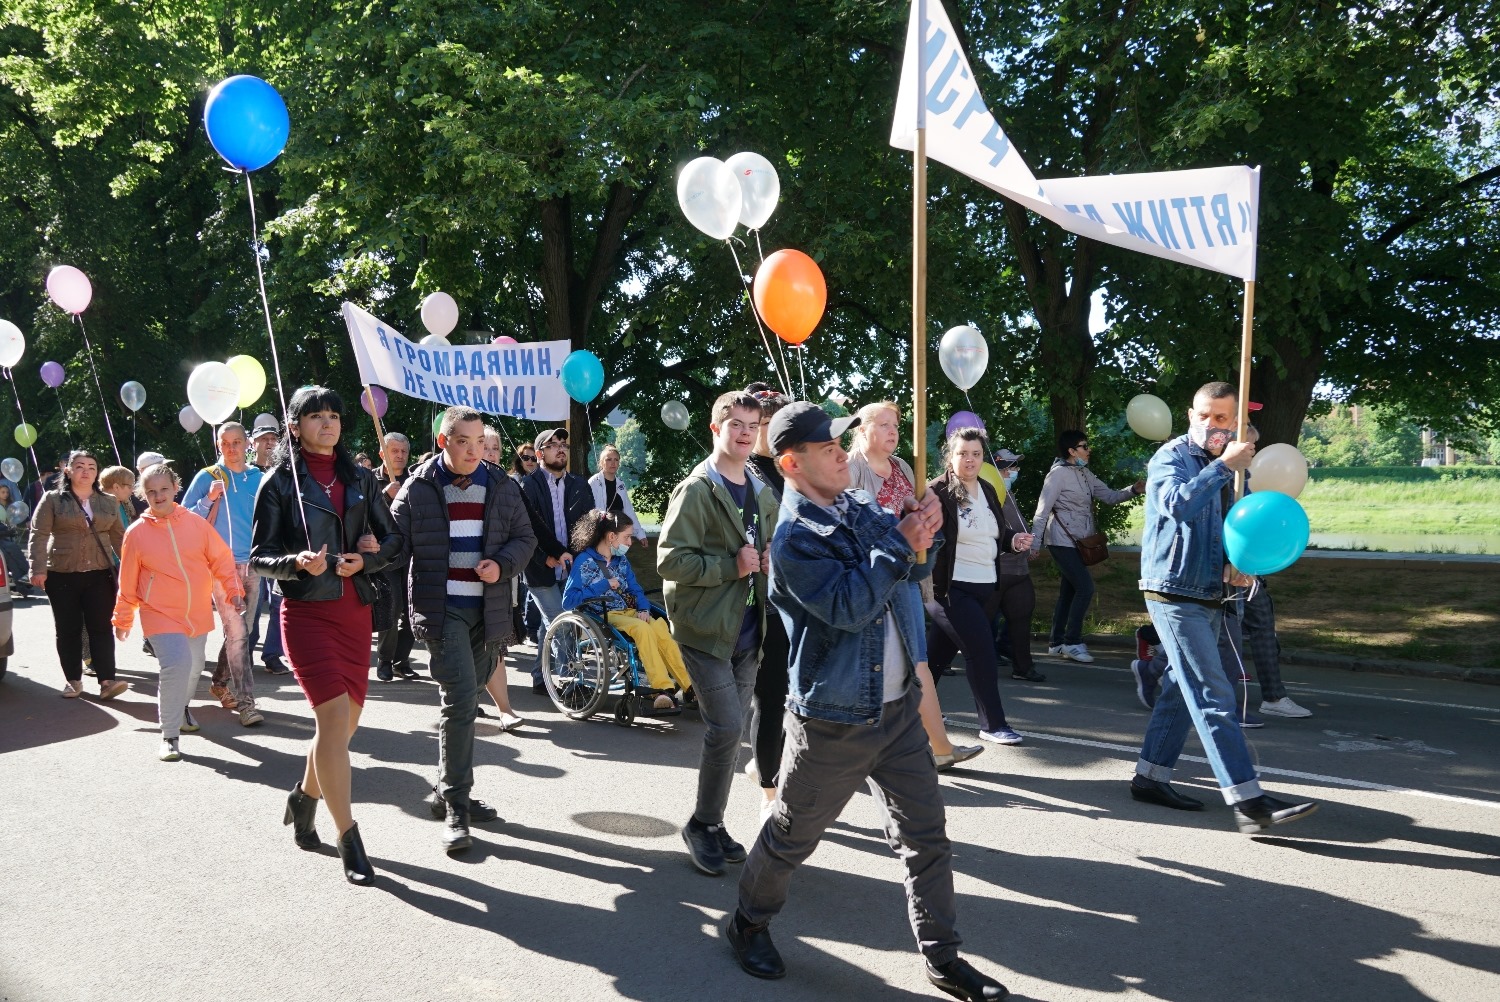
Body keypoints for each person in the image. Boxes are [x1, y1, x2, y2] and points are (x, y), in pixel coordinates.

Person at [725, 402, 1008, 1001]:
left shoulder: (856, 506)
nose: (840, 451)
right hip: (834, 720)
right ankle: (747, 923)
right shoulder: (794, 538)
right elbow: (850, 607)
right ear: (791, 463)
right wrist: (900, 544)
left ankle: (941, 955)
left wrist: (922, 523)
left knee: (926, 837)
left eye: (839, 442)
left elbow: (908, 570)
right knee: (791, 837)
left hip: (899, 710)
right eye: (828, 447)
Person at [1130, 380, 1319, 833]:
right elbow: (1176, 505)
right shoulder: (1171, 458)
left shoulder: (1237, 468)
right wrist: (1223, 467)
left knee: (1183, 687)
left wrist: (1242, 563)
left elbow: (1238, 526)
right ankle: (1249, 803)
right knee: (1215, 695)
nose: (1210, 425)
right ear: (1190, 414)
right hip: (1174, 593)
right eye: (1203, 415)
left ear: (1235, 422)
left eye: (1221, 418)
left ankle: (1150, 776)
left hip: (1215, 593)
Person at [251, 385, 402, 885]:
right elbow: (259, 557)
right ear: (295, 427)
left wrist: (369, 557)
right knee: (334, 722)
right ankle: (349, 838)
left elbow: (395, 538)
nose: (328, 423)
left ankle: (304, 796)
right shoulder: (278, 483)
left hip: (354, 613)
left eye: (334, 415)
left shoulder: (360, 477)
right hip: (308, 614)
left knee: (341, 729)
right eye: (315, 416)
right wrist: (295, 562)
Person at [391, 406, 536, 853]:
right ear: (443, 442)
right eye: (462, 442)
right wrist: (370, 541)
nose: (473, 451)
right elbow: (394, 545)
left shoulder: (503, 486)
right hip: (443, 610)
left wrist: (504, 564)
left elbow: (525, 539)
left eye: (479, 442)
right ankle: (457, 807)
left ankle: (445, 790)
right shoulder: (417, 489)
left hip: (488, 612)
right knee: (459, 704)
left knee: (468, 699)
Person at [657, 390, 777, 877]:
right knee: (726, 728)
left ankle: (712, 821)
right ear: (716, 429)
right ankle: (702, 824)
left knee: (730, 738)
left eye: (752, 425)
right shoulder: (696, 489)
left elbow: (765, 548)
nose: (746, 433)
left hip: (749, 628)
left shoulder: (760, 487)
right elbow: (669, 560)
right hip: (705, 629)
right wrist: (730, 566)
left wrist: (767, 563)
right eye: (736, 425)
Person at [849, 399, 983, 770]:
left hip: (906, 575)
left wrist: (926, 516)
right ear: (862, 429)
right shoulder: (850, 470)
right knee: (874, 665)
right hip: (873, 578)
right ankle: (786, 753)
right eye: (885, 425)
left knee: (917, 660)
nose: (894, 432)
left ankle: (936, 747)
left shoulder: (903, 466)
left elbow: (920, 508)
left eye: (896, 425)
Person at [112, 463, 243, 761]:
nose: (158, 496)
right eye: (151, 492)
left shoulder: (196, 524)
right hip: (158, 613)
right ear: (143, 495)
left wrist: (234, 591)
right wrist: (123, 618)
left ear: (175, 488)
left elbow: (222, 559)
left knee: (195, 666)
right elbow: (127, 580)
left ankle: (182, 709)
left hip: (196, 610)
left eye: (164, 489)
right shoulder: (136, 533)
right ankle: (169, 734)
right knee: (177, 666)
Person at [926, 427, 1033, 747]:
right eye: (962, 454)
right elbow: (927, 540)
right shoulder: (937, 491)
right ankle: (993, 724)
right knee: (981, 651)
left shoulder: (987, 488)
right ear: (950, 456)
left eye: (975, 454)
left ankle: (912, 711)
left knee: (933, 660)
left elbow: (996, 533)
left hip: (985, 586)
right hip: (949, 589)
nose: (969, 460)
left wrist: (1013, 540)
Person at [1031, 430, 1143, 663]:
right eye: (1083, 446)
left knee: (1069, 591)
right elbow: (1041, 513)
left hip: (1079, 542)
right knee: (1085, 588)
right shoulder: (1058, 475)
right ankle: (1072, 642)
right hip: (1061, 540)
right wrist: (1034, 544)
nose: (1088, 449)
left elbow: (1110, 496)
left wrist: (1133, 490)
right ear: (1071, 451)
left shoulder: (1083, 473)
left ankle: (1056, 642)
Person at [182, 422, 267, 726]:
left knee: (241, 633)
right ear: (218, 445)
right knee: (239, 633)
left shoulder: (260, 477)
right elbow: (184, 518)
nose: (231, 449)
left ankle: (220, 681)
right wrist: (209, 499)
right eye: (225, 443)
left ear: (248, 444)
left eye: (237, 442)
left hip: (254, 566)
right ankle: (246, 703)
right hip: (221, 568)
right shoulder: (208, 476)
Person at [563, 509, 688, 714]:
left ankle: (689, 686)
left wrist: (644, 608)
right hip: (603, 615)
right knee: (643, 629)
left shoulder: (621, 561)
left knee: (659, 625)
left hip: (627, 612)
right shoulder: (584, 562)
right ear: (612, 537)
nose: (630, 543)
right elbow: (568, 601)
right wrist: (602, 585)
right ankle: (660, 690)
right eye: (627, 537)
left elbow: (635, 589)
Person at [28, 450, 126, 699]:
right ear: (68, 471)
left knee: (101, 627)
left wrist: (131, 569)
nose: (86, 471)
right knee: (68, 629)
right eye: (80, 466)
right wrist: (37, 569)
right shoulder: (53, 499)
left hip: (100, 573)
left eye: (91, 467)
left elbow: (120, 539)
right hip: (61, 574)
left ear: (96, 472)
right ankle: (73, 681)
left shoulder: (109, 501)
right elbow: (38, 535)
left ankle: (107, 682)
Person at [741, 383, 795, 808]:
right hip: (761, 601)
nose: (769, 426)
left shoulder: (790, 468)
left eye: (775, 418)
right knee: (771, 696)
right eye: (762, 419)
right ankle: (768, 792)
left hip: (798, 598)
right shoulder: (743, 473)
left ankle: (770, 763)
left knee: (794, 696)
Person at [520, 428, 592, 693]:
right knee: (562, 623)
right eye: (553, 445)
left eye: (564, 444)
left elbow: (588, 527)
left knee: (550, 625)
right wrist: (544, 557)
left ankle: (541, 677)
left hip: (570, 570)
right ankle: (570, 681)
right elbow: (523, 530)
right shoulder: (527, 486)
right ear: (540, 453)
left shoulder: (579, 485)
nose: (561, 448)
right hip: (540, 571)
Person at [988, 448, 1044, 683]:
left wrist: (1027, 546)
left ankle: (1023, 667)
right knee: (977, 619)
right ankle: (941, 660)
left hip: (1018, 569)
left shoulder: (1007, 493)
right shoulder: (984, 493)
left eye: (1014, 467)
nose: (1014, 472)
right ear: (996, 470)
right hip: (995, 568)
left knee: (1022, 614)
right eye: (1010, 468)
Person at [374, 430, 416, 681]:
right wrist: (384, 497)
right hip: (386, 556)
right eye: (394, 451)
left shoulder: (415, 480)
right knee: (392, 608)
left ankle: (401, 659)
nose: (399, 456)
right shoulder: (370, 480)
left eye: (403, 452)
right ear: (382, 453)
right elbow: (363, 517)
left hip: (412, 554)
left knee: (413, 610)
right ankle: (385, 661)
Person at [588, 444, 647, 544]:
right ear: (602, 462)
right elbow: (588, 511)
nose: (613, 463)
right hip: (599, 536)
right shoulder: (593, 482)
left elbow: (628, 510)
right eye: (609, 459)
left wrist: (640, 535)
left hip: (618, 535)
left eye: (616, 460)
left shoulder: (621, 484)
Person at [0, 482, 31, 594]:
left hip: (6, 538)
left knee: (14, 555)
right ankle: (22, 582)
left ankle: (23, 583)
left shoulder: (10, 506)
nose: (6, 494)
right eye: (3, 492)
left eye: (7, 492)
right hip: (4, 539)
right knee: (12, 555)